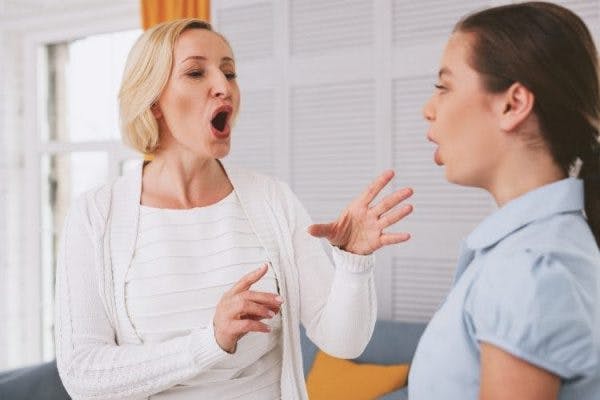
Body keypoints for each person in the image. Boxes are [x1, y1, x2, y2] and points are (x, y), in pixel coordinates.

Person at [53, 18, 414, 400]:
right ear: (153, 100)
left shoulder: (272, 199)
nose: (223, 87)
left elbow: (344, 342)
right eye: (196, 72)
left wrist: (353, 264)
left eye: (229, 72)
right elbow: (83, 374)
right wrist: (210, 342)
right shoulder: (95, 215)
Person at [412, 2, 600, 399]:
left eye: (444, 87)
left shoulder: (529, 267)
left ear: (512, 104)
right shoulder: (541, 251)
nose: (428, 110)